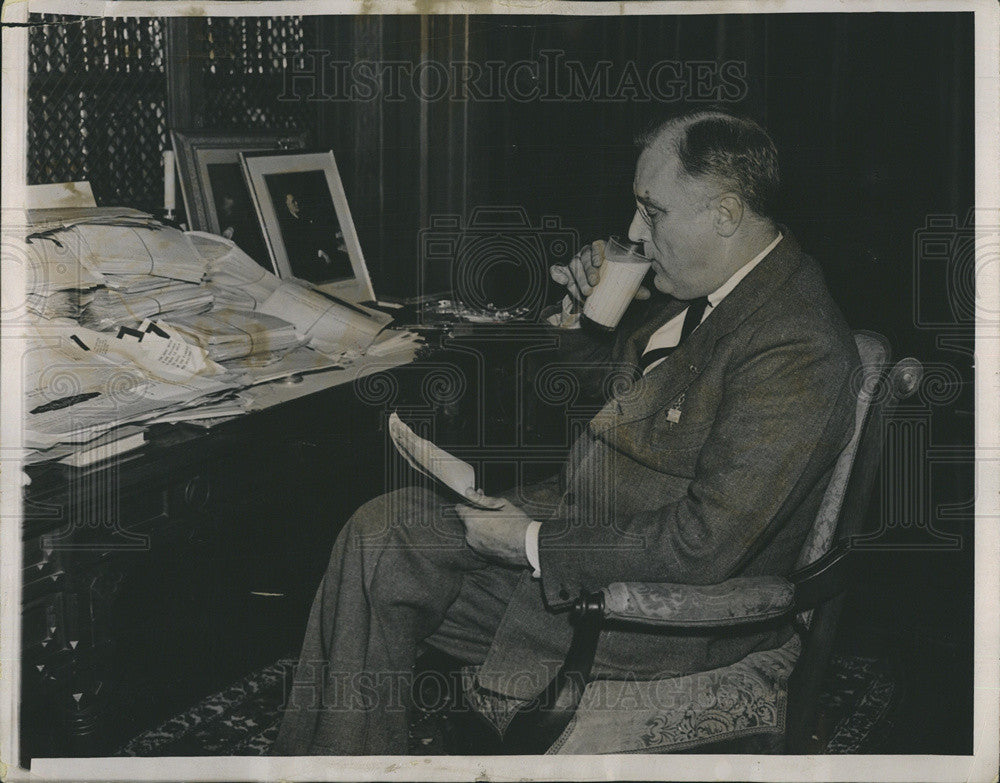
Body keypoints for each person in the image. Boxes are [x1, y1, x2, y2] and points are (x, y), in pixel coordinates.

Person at [271, 109, 861, 755]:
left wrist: (528, 541)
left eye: (652, 211)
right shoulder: (703, 289)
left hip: (660, 613)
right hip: (590, 534)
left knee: (384, 557)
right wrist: (588, 316)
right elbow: (599, 393)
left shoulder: (795, 341)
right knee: (378, 534)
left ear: (724, 213)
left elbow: (703, 546)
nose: (633, 231)